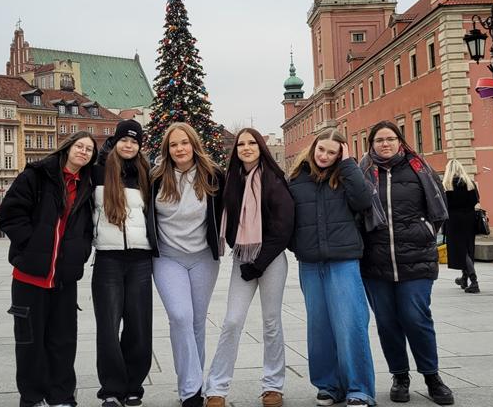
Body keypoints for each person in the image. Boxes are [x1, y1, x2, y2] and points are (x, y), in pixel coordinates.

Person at [358, 121, 453, 405]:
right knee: (387, 322)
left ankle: (432, 376)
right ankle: (400, 376)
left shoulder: (419, 168)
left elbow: (438, 207)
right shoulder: (362, 172)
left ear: (400, 141)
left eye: (390, 139)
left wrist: (426, 231)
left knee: (416, 317)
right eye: (379, 140)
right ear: (371, 144)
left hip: (416, 258)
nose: (385, 144)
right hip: (376, 261)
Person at [0, 131, 97, 407]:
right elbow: (10, 213)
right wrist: (30, 247)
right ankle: (32, 397)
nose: (83, 151)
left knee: (63, 340)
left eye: (89, 149)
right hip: (30, 276)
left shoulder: (86, 185)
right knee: (30, 342)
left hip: (64, 278)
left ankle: (61, 396)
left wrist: (80, 253)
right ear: (67, 147)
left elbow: (87, 228)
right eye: (79, 146)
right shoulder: (36, 175)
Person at [205, 128, 295, 407]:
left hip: (270, 259)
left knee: (271, 322)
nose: (246, 148)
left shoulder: (274, 179)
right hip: (243, 258)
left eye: (252, 143)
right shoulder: (232, 180)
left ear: (260, 147)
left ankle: (273, 386)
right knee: (232, 321)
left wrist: (258, 264)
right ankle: (216, 387)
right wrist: (241, 253)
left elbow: (283, 228)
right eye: (241, 144)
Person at [287, 128, 377, 407]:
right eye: (321, 149)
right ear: (313, 147)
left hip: (343, 260)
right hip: (310, 263)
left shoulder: (347, 175)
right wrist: (297, 245)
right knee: (319, 328)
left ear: (340, 154)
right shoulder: (297, 178)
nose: (324, 156)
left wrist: (348, 164)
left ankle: (359, 389)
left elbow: (364, 201)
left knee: (350, 324)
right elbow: (287, 216)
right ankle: (328, 386)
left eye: (332, 152)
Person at [148, 122, 224, 407]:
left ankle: (192, 385)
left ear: (194, 144)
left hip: (203, 257)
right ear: (167, 149)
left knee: (197, 322)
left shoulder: (213, 174)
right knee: (180, 317)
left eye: (184, 143)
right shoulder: (155, 177)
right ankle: (191, 390)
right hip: (168, 257)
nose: (179, 149)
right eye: (173, 144)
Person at [91, 120, 155, 407]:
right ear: (115, 141)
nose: (129, 145)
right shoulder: (97, 171)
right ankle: (111, 388)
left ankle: (133, 386)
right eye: (124, 140)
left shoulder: (145, 174)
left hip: (140, 258)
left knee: (138, 325)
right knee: (108, 325)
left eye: (134, 141)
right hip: (108, 258)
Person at [444, 159, 480, 294]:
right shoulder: (470, 184)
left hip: (454, 220)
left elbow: (443, 205)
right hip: (470, 219)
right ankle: (464, 279)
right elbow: (476, 200)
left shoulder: (446, 185)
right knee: (468, 248)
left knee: (460, 251)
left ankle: (474, 281)